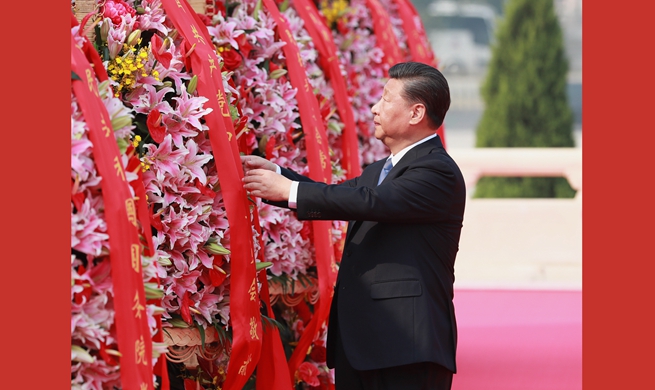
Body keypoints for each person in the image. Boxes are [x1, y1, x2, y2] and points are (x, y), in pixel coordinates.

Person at [242, 62, 465, 390]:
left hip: (407, 347)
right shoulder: (381, 171)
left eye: (386, 100)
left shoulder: (437, 171)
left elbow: (370, 203)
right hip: (362, 345)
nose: (375, 108)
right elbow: (342, 195)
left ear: (416, 113)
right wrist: (277, 173)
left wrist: (289, 189)